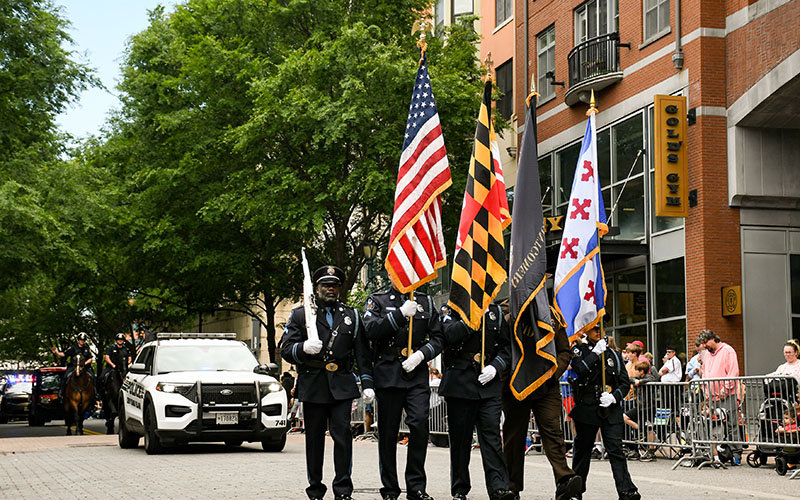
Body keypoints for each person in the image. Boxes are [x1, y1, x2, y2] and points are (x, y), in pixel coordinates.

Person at [280, 265, 375, 500]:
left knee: (343, 438)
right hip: (313, 383)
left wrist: (367, 382)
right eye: (325, 285)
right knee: (314, 440)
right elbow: (285, 349)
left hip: (342, 384)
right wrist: (302, 348)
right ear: (317, 288)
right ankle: (315, 489)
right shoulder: (302, 315)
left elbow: (362, 354)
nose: (330, 289)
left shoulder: (351, 315)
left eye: (334, 286)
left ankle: (343, 489)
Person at [362, 286, 444, 500]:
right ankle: (390, 488)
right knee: (388, 433)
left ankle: (416, 486)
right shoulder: (377, 300)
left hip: (415, 372)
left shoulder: (425, 301)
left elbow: (438, 338)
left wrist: (421, 355)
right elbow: (370, 329)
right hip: (388, 372)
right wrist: (399, 315)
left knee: (419, 423)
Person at [439, 302, 516, 500]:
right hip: (460, 382)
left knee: (492, 438)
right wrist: (472, 316)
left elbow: (506, 348)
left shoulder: (496, 312)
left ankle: (498, 487)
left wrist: (495, 367)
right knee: (460, 441)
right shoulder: (453, 308)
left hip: (487, 384)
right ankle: (459, 488)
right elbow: (449, 335)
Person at [502, 320, 583, 500]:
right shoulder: (509, 309)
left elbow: (564, 351)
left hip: (546, 386)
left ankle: (564, 481)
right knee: (514, 437)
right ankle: (511, 487)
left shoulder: (551, 315)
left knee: (553, 431)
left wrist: (553, 372)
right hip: (517, 384)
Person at [569, 325, 640, 500]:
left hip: (610, 407)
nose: (598, 331)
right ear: (586, 330)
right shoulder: (580, 350)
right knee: (582, 450)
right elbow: (580, 370)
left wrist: (614, 397)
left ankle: (626, 490)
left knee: (616, 450)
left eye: (600, 328)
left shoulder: (614, 354)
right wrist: (595, 353)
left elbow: (623, 382)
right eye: (593, 328)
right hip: (587, 405)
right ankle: (575, 491)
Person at [698, 328, 742, 465]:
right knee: (712, 424)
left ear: (713, 339)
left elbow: (733, 371)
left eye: (706, 343)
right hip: (711, 396)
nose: (704, 346)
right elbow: (705, 373)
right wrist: (705, 389)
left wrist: (726, 389)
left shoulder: (728, 350)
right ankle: (715, 453)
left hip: (726, 395)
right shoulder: (707, 355)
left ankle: (736, 454)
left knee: (731, 423)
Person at [51, 332, 95, 399]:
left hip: (85, 367)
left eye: (84, 340)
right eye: (81, 340)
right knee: (66, 376)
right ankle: (61, 393)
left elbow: (90, 358)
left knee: (93, 377)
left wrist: (84, 364)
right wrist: (56, 353)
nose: (82, 341)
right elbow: (64, 354)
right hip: (73, 366)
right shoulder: (73, 347)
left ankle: (96, 395)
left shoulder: (87, 348)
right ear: (78, 340)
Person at [98, 333, 132, 401]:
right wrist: (112, 364)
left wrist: (127, 363)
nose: (120, 341)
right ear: (116, 340)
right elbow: (107, 357)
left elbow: (129, 358)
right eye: (119, 340)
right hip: (111, 367)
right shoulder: (111, 348)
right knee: (101, 377)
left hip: (123, 368)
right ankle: (99, 396)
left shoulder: (126, 349)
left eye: (121, 340)